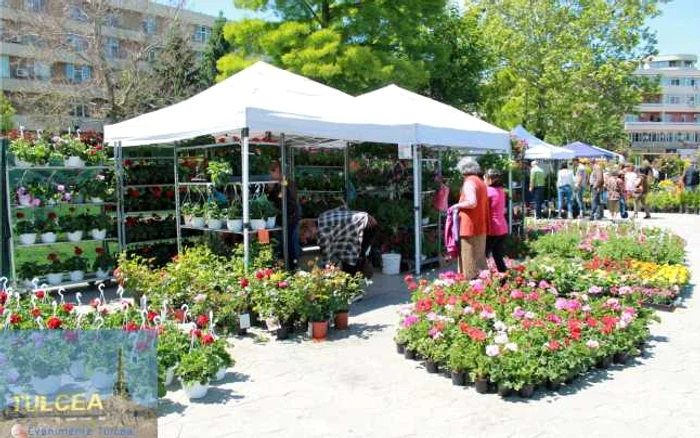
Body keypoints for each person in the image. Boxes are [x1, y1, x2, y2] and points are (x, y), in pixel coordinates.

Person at [450, 157, 489, 279]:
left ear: (463, 170)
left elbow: (472, 202)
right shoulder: (480, 181)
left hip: (469, 225)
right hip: (480, 224)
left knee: (469, 257)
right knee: (480, 257)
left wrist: (456, 205)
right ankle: (484, 283)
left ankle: (471, 285)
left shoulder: (469, 182)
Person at [269, 160, 301, 269]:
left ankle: (293, 267)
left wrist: (273, 189)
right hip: (281, 218)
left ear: (278, 170)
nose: (270, 174)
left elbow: (288, 202)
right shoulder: (279, 183)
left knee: (290, 243)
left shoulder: (287, 183)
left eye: (272, 171)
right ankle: (284, 266)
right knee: (281, 243)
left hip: (290, 218)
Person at [484, 169, 508, 273]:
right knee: (497, 255)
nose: (483, 179)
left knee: (482, 255)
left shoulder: (488, 191)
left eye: (484, 177)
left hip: (493, 228)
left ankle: (481, 280)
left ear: (490, 179)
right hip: (503, 227)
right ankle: (504, 279)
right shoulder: (501, 190)